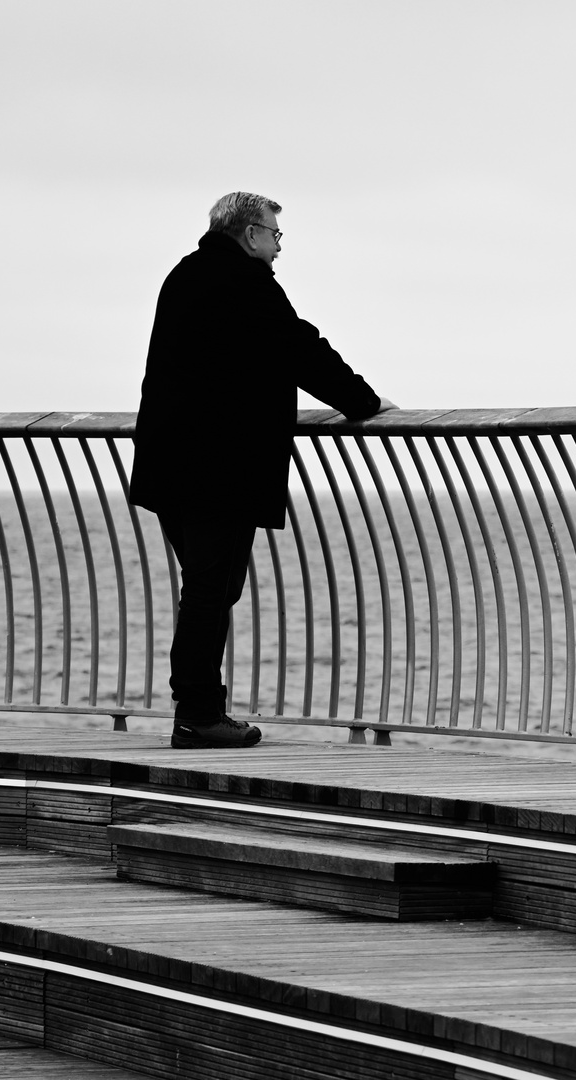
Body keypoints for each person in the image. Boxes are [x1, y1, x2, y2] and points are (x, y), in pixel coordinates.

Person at [129, 192, 390, 749]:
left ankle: (197, 708)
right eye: (275, 237)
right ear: (250, 234)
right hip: (216, 465)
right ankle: (198, 715)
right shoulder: (244, 282)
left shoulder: (184, 276)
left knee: (206, 586)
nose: (277, 250)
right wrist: (364, 402)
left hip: (169, 459)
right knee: (210, 588)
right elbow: (299, 347)